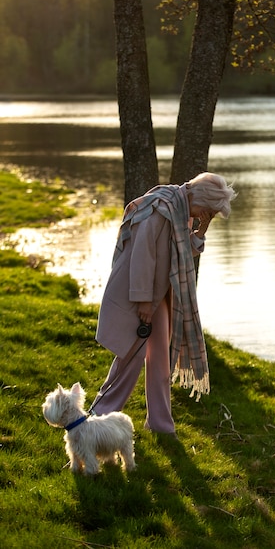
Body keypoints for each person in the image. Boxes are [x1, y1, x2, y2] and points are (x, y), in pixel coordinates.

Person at [91, 172, 236, 436]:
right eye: (208, 210)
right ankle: (99, 417)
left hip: (160, 295)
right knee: (130, 360)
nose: (206, 215)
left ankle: (160, 424)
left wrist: (201, 230)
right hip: (139, 294)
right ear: (200, 198)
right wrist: (143, 301)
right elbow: (142, 257)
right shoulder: (161, 209)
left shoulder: (181, 209)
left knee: (160, 362)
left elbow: (179, 253)